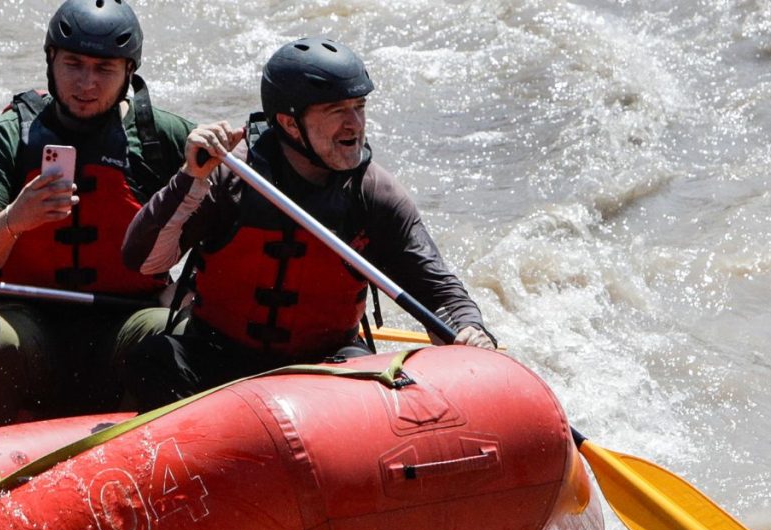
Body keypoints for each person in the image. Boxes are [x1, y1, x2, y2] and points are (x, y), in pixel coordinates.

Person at [121, 37, 497, 411]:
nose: (355, 124)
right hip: (220, 355)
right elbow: (143, 262)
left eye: (359, 106)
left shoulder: (373, 194)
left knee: (374, 379)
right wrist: (190, 178)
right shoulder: (230, 176)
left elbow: (438, 290)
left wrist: (470, 329)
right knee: (152, 357)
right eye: (336, 110)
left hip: (325, 366)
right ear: (289, 123)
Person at [0, 0, 194, 426]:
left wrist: (191, 293)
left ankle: (142, 454)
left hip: (126, 320)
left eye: (104, 69)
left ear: (128, 73)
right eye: (73, 64)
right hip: (30, 321)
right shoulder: (5, 137)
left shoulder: (164, 138)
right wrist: (14, 220)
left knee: (174, 332)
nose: (86, 83)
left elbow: (225, 234)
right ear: (51, 60)